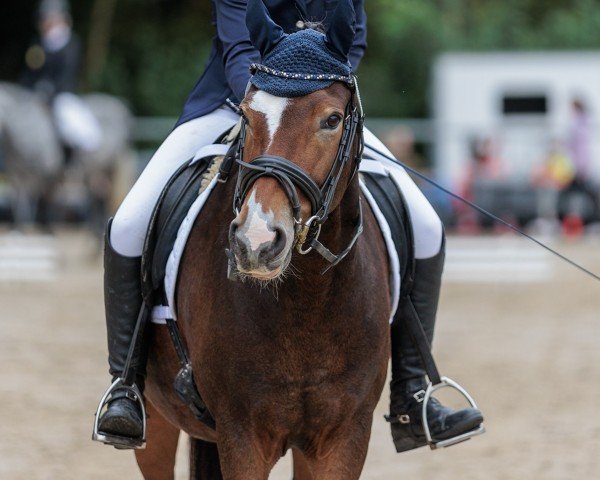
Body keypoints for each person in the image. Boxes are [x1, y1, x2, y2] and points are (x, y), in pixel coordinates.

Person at [94, 0, 484, 452]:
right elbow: (239, 45)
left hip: (320, 109)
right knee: (128, 224)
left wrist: (320, 92)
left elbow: (352, 36)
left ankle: (413, 393)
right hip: (243, 104)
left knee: (427, 223)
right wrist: (273, 99)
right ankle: (125, 383)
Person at [21, 0, 102, 155]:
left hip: (62, 95)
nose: (45, 22)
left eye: (49, 18)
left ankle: (71, 159)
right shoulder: (38, 43)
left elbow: (68, 74)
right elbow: (29, 73)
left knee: (66, 118)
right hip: (36, 96)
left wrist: (49, 92)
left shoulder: (71, 43)